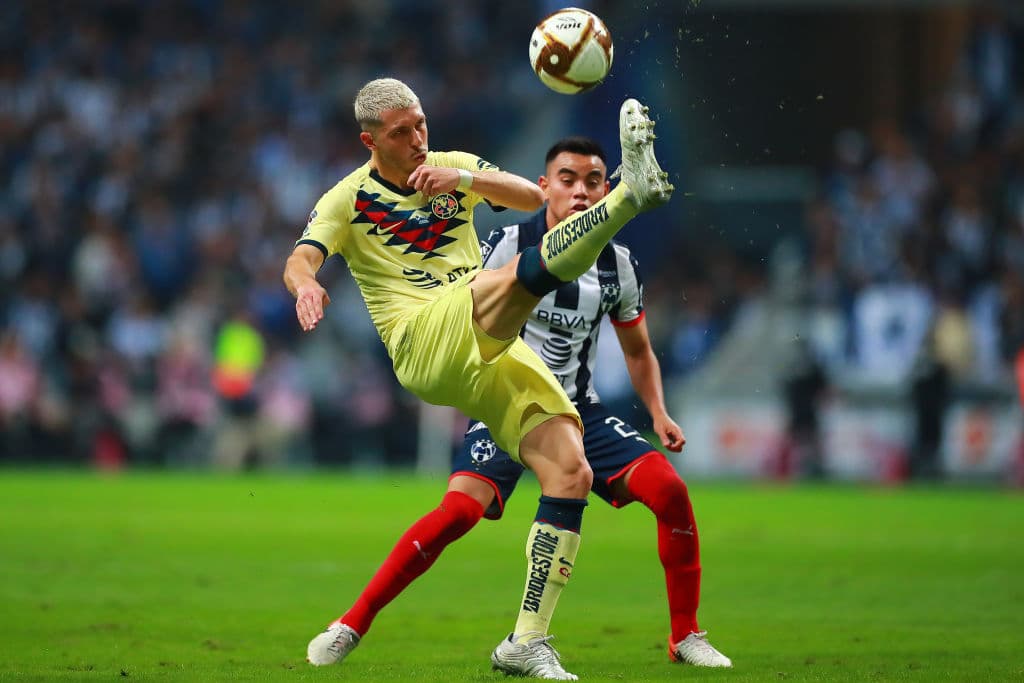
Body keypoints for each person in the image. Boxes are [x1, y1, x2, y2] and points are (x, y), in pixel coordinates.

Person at [284, 78, 672, 680]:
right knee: (506, 281)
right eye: (401, 133)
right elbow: (301, 256)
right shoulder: (348, 198)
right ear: (370, 141)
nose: (418, 139)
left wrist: (463, 179)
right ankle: (626, 198)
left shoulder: (450, 165)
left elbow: (529, 196)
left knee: (571, 471)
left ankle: (526, 641)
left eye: (421, 123)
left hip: (491, 343)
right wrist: (306, 284)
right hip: (422, 340)